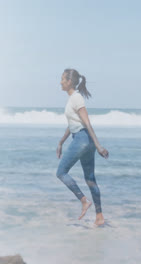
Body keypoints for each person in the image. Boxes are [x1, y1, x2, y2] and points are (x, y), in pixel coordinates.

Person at [56, 68, 108, 227]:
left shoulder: (76, 98)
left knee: (61, 172)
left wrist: (99, 145)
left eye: (63, 79)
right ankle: (99, 216)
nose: (60, 82)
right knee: (90, 179)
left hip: (82, 139)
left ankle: (84, 201)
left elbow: (86, 122)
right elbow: (72, 124)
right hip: (85, 140)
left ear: (69, 82)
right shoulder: (73, 98)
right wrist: (61, 142)